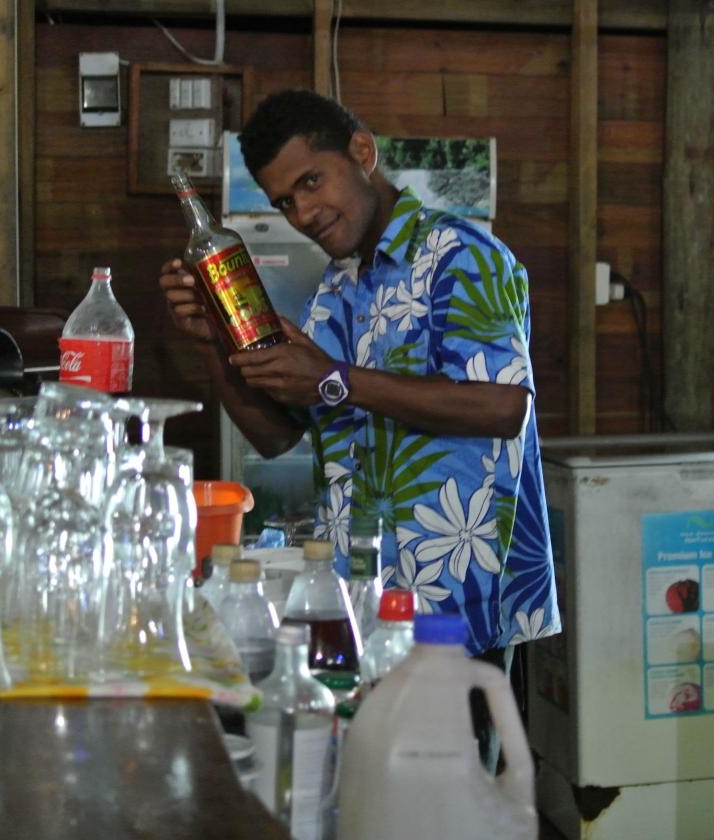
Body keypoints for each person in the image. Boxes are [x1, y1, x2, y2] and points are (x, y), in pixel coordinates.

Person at [159, 88, 560, 769]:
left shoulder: (462, 255)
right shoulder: (340, 286)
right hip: (360, 605)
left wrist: (335, 378)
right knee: (374, 796)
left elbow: (503, 406)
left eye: (312, 182)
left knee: (450, 801)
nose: (303, 213)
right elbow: (279, 438)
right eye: (285, 202)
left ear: (362, 152)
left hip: (455, 604)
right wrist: (212, 345)